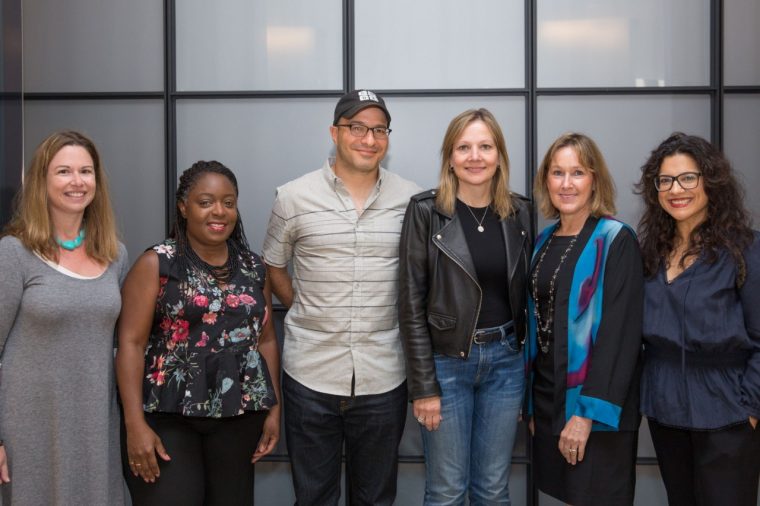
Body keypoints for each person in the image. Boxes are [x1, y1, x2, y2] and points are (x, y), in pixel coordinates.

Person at [262, 89, 420, 505]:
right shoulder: (292, 197)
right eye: (357, 128)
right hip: (310, 372)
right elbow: (274, 265)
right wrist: (303, 305)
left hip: (384, 374)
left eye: (379, 130)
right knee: (313, 496)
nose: (369, 139)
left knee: (376, 498)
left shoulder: (413, 200)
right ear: (335, 132)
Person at [116, 160, 280, 505]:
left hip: (239, 415)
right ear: (184, 207)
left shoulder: (253, 267)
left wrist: (274, 408)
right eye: (205, 202)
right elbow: (130, 343)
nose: (218, 211)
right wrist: (134, 424)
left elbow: (264, 339)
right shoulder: (157, 263)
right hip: (167, 416)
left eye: (228, 202)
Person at [398, 108, 533, 505]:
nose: (475, 156)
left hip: (507, 362)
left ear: (499, 156)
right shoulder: (425, 211)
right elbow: (410, 303)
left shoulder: (522, 211)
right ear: (450, 158)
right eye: (464, 147)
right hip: (446, 365)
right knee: (446, 490)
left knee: (493, 489)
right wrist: (423, 387)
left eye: (485, 146)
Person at [0, 130, 128, 505]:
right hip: (28, 428)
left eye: (86, 172)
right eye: (63, 172)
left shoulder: (115, 255)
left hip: (93, 425)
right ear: (41, 181)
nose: (77, 182)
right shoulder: (14, 253)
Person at [637, 132, 760, 506]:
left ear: (711, 182)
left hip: (728, 413)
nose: (677, 189)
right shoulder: (651, 253)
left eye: (688, 177)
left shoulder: (745, 250)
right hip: (665, 411)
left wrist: (750, 408)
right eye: (666, 180)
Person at [525, 133, 643, 505]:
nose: (566, 183)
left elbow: (619, 336)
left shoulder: (616, 239)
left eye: (577, 172)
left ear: (594, 179)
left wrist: (585, 415)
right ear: (546, 179)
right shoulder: (544, 241)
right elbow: (536, 325)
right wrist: (532, 406)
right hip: (549, 402)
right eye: (557, 172)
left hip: (596, 407)